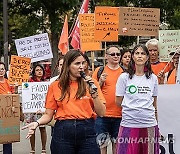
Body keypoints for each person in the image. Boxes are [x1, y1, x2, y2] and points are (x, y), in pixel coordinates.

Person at [22, 50, 106, 154]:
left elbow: (101, 112)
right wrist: (36, 123)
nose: (81, 67)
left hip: (87, 131)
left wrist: (94, 94)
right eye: (77, 63)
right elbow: (48, 115)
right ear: (68, 66)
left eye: (83, 63)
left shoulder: (91, 83)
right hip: (63, 132)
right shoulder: (55, 86)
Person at [116, 44, 159, 154]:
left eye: (143, 53)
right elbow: (118, 101)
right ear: (133, 57)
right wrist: (133, 108)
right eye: (137, 53)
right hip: (129, 124)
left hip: (149, 124)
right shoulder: (124, 77)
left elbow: (154, 104)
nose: (140, 56)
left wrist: (157, 124)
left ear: (147, 57)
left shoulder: (153, 78)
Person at [92, 45, 123, 154]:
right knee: (102, 146)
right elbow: (91, 92)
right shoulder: (99, 71)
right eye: (113, 54)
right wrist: (100, 82)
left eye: (118, 54)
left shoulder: (125, 72)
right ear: (106, 56)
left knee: (117, 147)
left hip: (120, 115)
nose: (116, 56)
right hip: (102, 116)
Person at [24, 64, 47, 154]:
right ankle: (32, 149)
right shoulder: (29, 82)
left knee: (43, 129)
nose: (39, 71)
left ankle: (43, 149)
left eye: (41, 70)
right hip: (31, 110)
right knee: (32, 129)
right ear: (34, 72)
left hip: (41, 110)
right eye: (37, 70)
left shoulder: (46, 83)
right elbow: (24, 91)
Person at [0, 62, 13, 154]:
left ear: (5, 71)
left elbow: (14, 96)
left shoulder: (9, 82)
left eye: (2, 69)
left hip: (7, 114)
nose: (0, 71)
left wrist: (15, 89)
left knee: (7, 138)